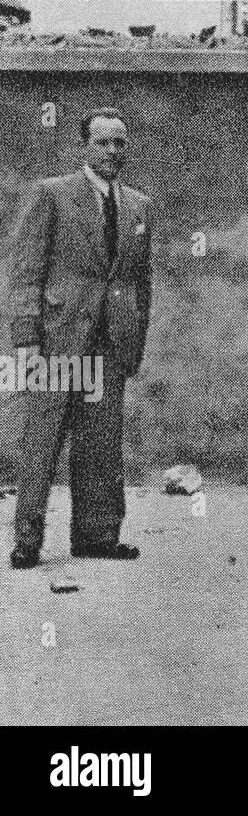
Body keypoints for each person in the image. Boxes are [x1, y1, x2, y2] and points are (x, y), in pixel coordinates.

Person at [8, 109, 154, 569]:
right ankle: (28, 539)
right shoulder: (52, 195)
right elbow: (27, 270)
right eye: (104, 142)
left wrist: (134, 341)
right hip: (58, 339)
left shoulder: (137, 206)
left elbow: (139, 281)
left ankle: (96, 536)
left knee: (101, 443)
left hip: (110, 343)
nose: (114, 151)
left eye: (120, 143)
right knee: (43, 439)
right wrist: (27, 336)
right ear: (84, 146)